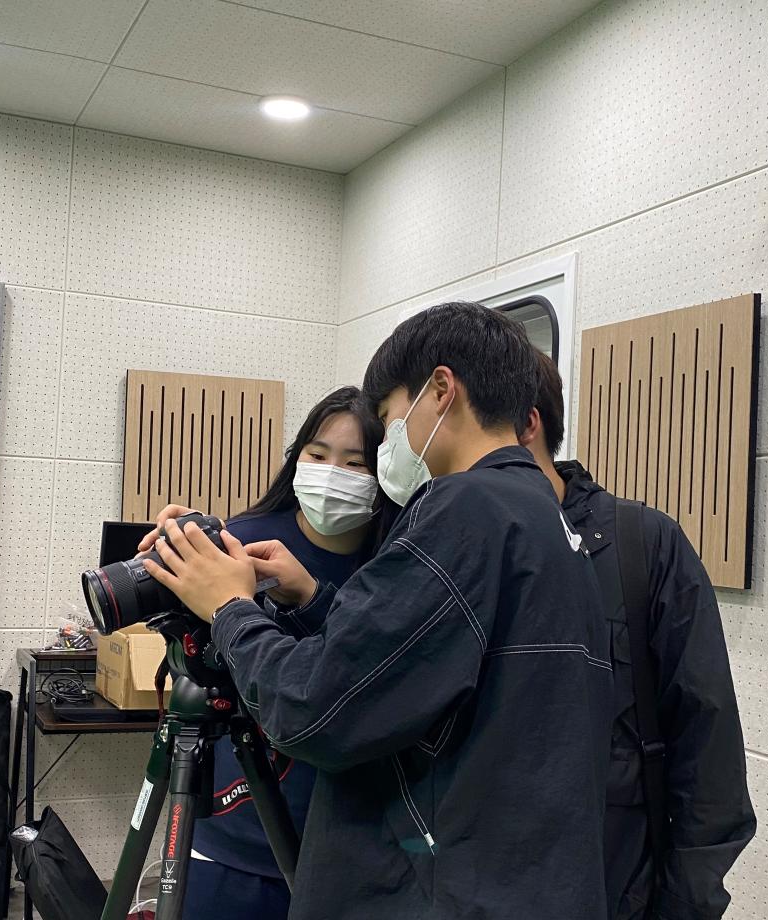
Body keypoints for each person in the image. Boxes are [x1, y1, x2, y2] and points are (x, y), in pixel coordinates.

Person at [143, 302, 615, 920]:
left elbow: (316, 708)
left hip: (436, 888)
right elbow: (420, 669)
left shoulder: (463, 509)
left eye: (390, 419)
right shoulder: (544, 517)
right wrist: (312, 600)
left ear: (440, 390)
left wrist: (229, 608)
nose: (390, 442)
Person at [135, 386, 391, 920]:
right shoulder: (243, 541)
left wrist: (311, 600)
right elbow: (195, 658)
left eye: (355, 464)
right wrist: (181, 564)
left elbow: (369, 676)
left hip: (345, 839)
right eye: (317, 454)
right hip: (230, 831)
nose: (331, 474)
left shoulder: (395, 562)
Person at [518, 350, 756, 919]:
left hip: (616, 889)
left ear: (527, 424)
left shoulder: (643, 544)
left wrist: (682, 905)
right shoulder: (451, 546)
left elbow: (708, 748)